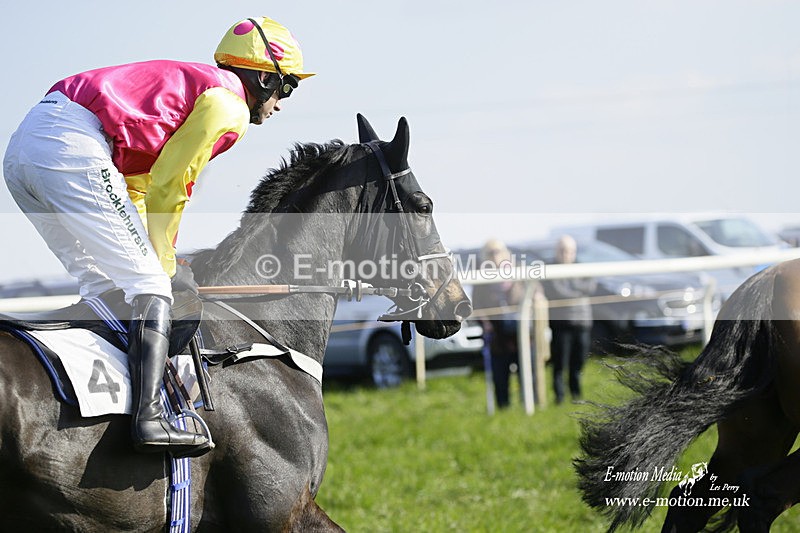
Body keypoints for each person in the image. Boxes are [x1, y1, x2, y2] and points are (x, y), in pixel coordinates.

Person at [2, 16, 313, 457]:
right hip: (70, 145)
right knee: (150, 284)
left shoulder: (201, 90)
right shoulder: (230, 106)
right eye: (287, 87)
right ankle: (149, 418)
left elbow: (138, 188)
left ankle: (105, 405)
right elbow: (173, 182)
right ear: (264, 77)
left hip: (25, 150)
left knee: (105, 286)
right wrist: (163, 264)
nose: (281, 103)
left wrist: (153, 253)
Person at [472, 239, 529, 409]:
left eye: (497, 251)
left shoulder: (518, 270)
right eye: (491, 253)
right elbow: (475, 305)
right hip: (496, 336)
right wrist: (485, 323)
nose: (495, 255)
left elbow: (534, 291)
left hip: (521, 334)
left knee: (526, 373)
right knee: (500, 376)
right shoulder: (480, 276)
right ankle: (503, 409)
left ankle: (528, 406)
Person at [542, 235, 595, 404]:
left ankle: (576, 394)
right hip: (561, 324)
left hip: (582, 323)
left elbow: (591, 286)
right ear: (557, 251)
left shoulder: (583, 267)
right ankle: (559, 396)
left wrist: (574, 289)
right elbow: (559, 292)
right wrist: (578, 292)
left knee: (578, 360)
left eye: (570, 251)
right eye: (563, 250)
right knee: (560, 362)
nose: (566, 254)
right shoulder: (550, 269)